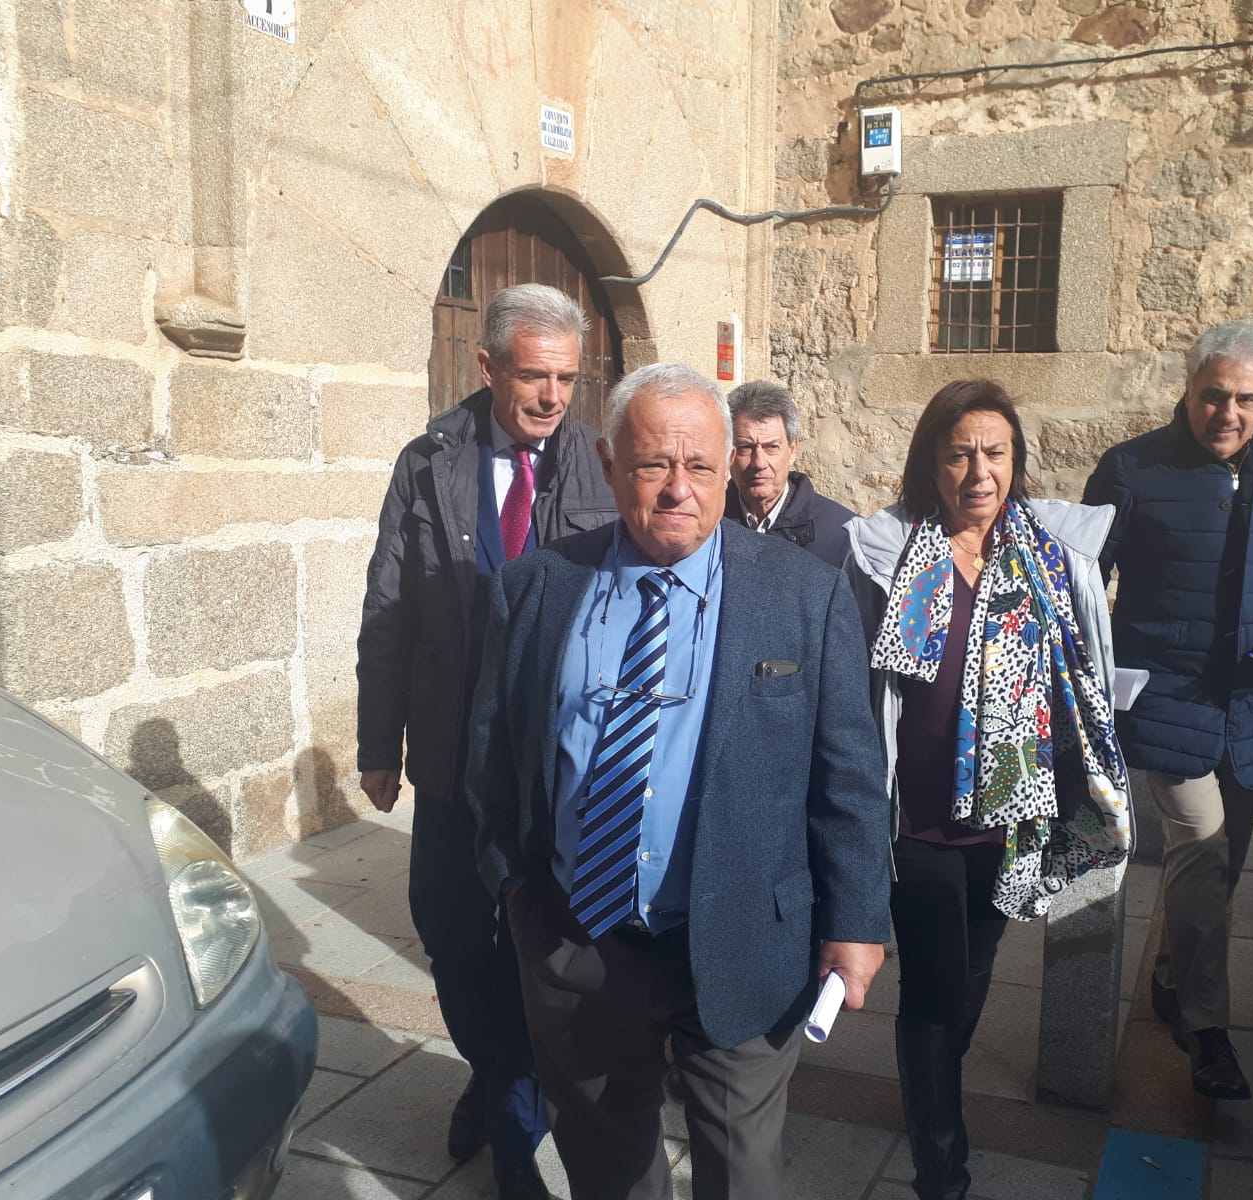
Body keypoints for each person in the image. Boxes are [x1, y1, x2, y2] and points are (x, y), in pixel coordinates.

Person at [464, 362, 891, 1200]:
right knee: (610, 1171)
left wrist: (857, 919)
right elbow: (492, 755)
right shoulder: (537, 589)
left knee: (744, 1178)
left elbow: (849, 775)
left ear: (728, 467)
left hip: (742, 938)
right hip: (576, 941)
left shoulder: (804, 596)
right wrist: (514, 890)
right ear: (607, 461)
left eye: (699, 466)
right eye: (653, 464)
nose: (676, 490)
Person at [355, 283, 616, 1199]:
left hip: (557, 770)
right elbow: (388, 609)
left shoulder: (600, 459)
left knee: (542, 954)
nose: (551, 397)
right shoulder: (429, 461)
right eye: (532, 375)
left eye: (566, 379)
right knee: (456, 939)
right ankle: (506, 1081)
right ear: (487, 366)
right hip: (452, 762)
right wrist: (376, 743)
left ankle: (512, 1121)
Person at [845, 379, 1130, 1200]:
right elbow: (853, 679)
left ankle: (927, 1089)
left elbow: (1084, 669)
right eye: (960, 451)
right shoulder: (889, 554)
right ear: (930, 462)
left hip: (1010, 817)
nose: (978, 470)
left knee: (973, 972)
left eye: (995, 452)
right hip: (918, 818)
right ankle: (941, 1164)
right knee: (934, 985)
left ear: (1014, 461)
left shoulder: (1046, 557)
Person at [1083, 318, 1253, 1102]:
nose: (1226, 414)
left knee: (1221, 867)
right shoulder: (1130, 469)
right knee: (1201, 840)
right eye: (1212, 396)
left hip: (1251, 707)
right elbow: (1083, 580)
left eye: (1243, 400)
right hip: (1164, 700)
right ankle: (1205, 1030)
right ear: (1186, 389)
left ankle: (1172, 975)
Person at [725, 379, 855, 566]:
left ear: (792, 450)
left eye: (771, 447)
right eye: (746, 447)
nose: (759, 463)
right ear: (728, 454)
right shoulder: (706, 525)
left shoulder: (841, 535)